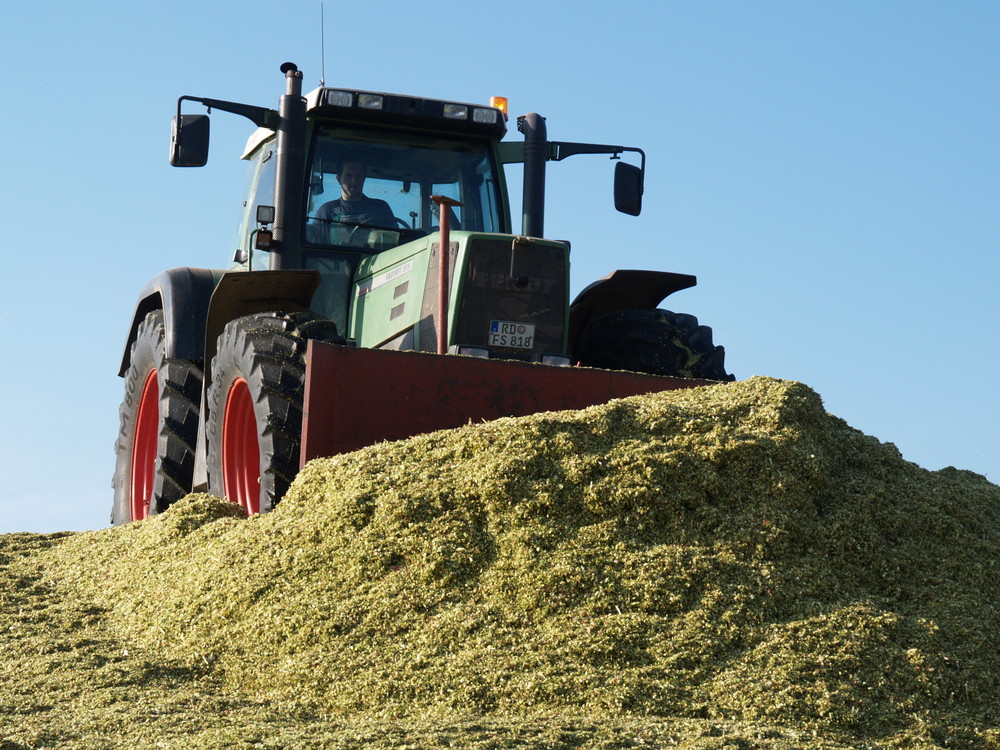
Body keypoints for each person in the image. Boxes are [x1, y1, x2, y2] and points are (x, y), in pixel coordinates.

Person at [314, 159, 397, 238]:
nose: (354, 181)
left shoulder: (380, 208)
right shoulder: (327, 211)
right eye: (349, 176)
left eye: (359, 176)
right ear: (339, 179)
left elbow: (395, 242)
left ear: (364, 178)